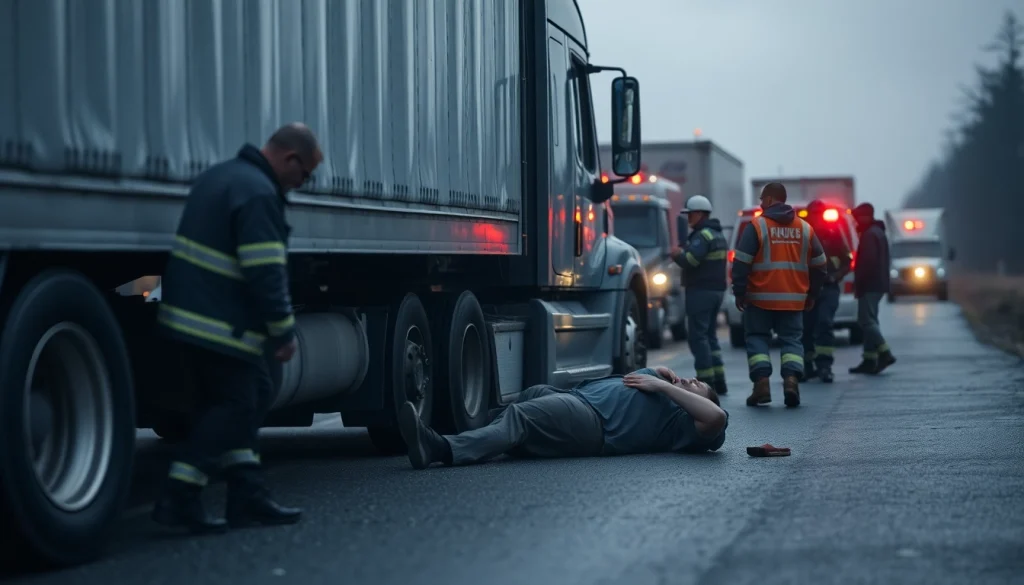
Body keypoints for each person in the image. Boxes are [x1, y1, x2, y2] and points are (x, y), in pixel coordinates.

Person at [151, 123, 323, 533]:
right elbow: (265, 271)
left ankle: (247, 493)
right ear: (290, 159)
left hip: (193, 318)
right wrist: (282, 333)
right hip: (218, 324)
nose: (302, 184)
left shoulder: (222, 176)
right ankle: (180, 493)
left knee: (251, 395)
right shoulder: (259, 193)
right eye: (305, 175)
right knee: (236, 406)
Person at [396, 367, 728, 469]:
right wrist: (654, 374)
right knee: (532, 394)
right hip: (577, 400)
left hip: (594, 422)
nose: (691, 381)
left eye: (699, 386)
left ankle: (440, 449)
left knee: (520, 417)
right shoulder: (664, 388)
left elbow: (716, 418)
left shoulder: (683, 423)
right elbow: (625, 382)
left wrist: (665, 388)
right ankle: (467, 441)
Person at [730, 183, 827, 408]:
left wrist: (739, 292)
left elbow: (741, 262)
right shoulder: (805, 229)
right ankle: (791, 382)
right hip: (793, 300)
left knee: (757, 338)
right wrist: (812, 294)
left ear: (772, 199)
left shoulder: (757, 227)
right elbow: (820, 266)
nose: (761, 203)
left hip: (759, 298)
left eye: (762, 199)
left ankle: (762, 385)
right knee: (792, 340)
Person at [671, 195, 730, 395]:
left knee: (698, 337)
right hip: (716, 292)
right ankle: (719, 380)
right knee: (710, 337)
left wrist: (677, 254)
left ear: (699, 213)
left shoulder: (703, 236)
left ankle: (706, 382)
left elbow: (690, 260)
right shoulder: (718, 234)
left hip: (700, 292)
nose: (688, 219)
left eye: (690, 214)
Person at [800, 200, 852, 383]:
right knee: (805, 328)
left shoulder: (833, 233)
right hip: (806, 290)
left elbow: (847, 261)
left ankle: (825, 366)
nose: (815, 217)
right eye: (812, 213)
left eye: (817, 213)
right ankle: (807, 366)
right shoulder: (800, 234)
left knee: (824, 323)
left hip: (829, 288)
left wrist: (836, 276)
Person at [849, 203, 897, 374]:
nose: (855, 222)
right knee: (871, 320)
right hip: (878, 284)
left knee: (866, 321)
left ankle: (885, 352)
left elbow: (867, 264)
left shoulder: (869, 235)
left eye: (857, 218)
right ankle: (869, 359)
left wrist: (859, 283)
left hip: (870, 285)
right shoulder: (877, 232)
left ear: (866, 216)